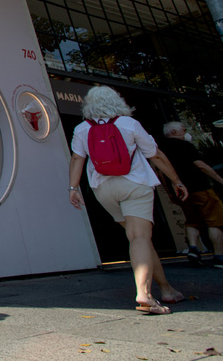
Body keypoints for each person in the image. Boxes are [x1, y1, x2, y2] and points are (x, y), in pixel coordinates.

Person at [68, 86, 188, 315]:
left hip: (103, 189)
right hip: (134, 184)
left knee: (138, 239)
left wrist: (73, 188)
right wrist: (176, 180)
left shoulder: (82, 128)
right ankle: (145, 294)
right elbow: (156, 155)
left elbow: (77, 158)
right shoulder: (128, 124)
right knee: (139, 236)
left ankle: (167, 289)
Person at [158, 121, 223, 269]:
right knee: (215, 221)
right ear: (174, 132)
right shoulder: (186, 146)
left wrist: (170, 192)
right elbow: (201, 165)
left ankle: (193, 248)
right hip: (200, 187)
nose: (186, 133)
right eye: (183, 130)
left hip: (180, 191)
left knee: (192, 220)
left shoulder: (161, 150)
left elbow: (160, 173)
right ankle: (219, 257)